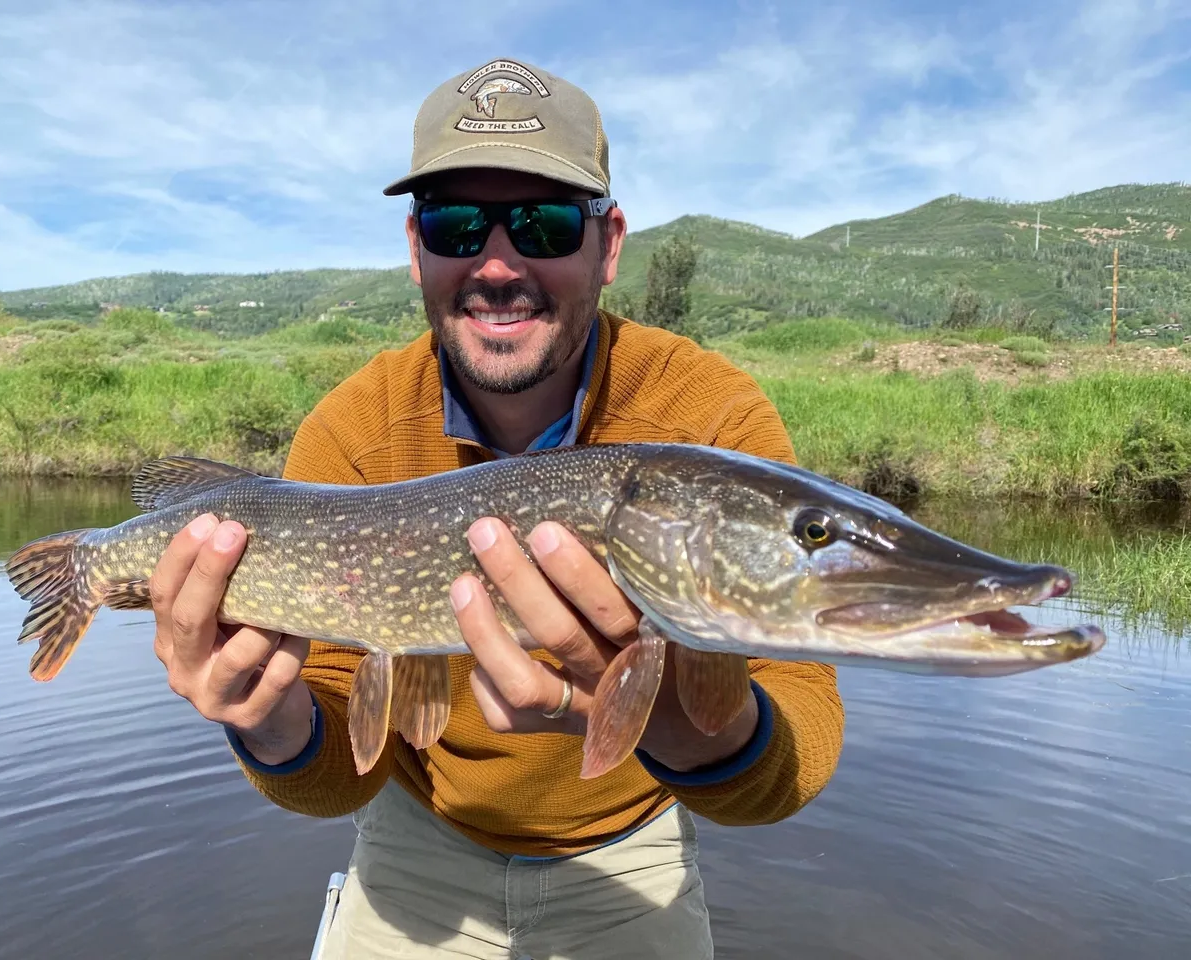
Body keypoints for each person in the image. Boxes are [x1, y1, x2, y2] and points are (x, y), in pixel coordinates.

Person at [149, 58, 845, 959]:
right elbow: (332, 775)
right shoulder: (354, 432)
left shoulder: (706, 421)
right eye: (456, 222)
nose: (498, 263)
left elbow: (797, 751)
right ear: (415, 247)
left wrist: (680, 727)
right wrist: (265, 716)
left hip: (630, 858)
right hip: (415, 853)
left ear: (610, 243)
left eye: (546, 222)